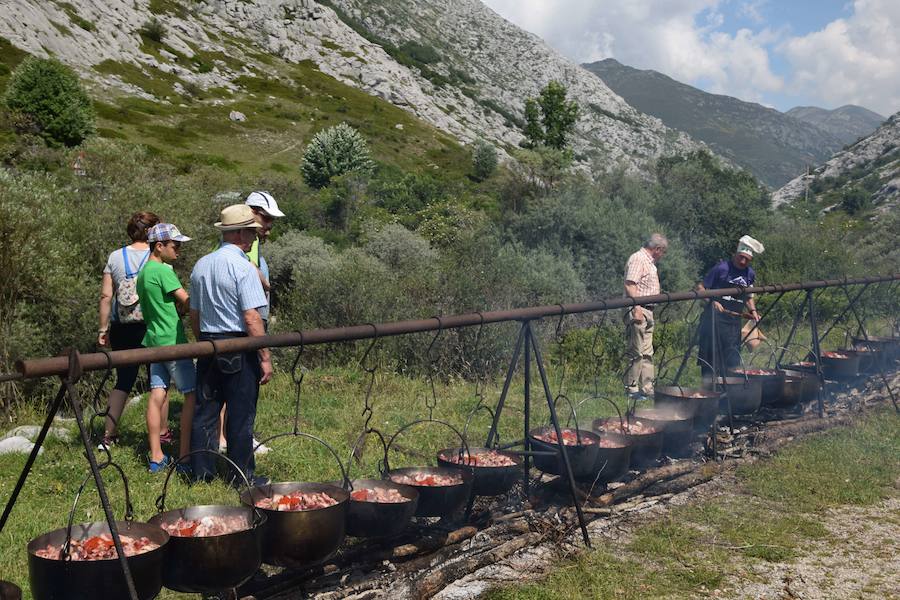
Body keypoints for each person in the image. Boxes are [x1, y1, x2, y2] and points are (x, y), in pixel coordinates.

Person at [189, 204, 272, 485]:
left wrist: (202, 341)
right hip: (238, 343)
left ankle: (201, 473)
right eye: (251, 232)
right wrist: (265, 357)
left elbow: (195, 314)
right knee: (241, 412)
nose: (254, 238)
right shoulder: (243, 268)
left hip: (208, 344)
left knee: (206, 412)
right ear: (239, 234)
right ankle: (242, 477)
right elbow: (251, 317)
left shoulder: (201, 265)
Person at [217, 192, 285, 454]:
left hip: (244, 323)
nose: (268, 227)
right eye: (267, 219)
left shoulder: (247, 243)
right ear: (253, 213)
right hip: (247, 324)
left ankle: (229, 437)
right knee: (241, 388)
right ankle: (234, 440)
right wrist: (266, 285)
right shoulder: (248, 244)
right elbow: (248, 273)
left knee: (234, 386)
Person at [97, 211, 170, 447]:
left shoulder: (115, 257)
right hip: (152, 326)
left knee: (123, 381)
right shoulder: (158, 255)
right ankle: (162, 433)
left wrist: (103, 328)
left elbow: (106, 295)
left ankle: (108, 436)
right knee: (159, 381)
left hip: (123, 328)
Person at [136, 223, 196, 473]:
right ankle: (185, 457)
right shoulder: (163, 271)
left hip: (153, 341)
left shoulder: (143, 273)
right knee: (192, 395)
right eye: (175, 246)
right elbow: (187, 301)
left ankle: (156, 456)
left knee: (157, 394)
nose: (179, 251)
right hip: (172, 342)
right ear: (159, 246)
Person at [697, 235, 764, 377]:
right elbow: (700, 288)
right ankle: (709, 390)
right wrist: (712, 301)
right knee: (711, 360)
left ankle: (728, 391)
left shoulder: (749, 274)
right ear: (736, 254)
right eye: (741, 257)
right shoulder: (721, 268)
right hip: (714, 322)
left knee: (731, 361)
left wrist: (753, 311)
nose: (743, 261)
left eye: (747, 259)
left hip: (733, 324)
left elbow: (748, 296)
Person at [623, 233, 668, 400]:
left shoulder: (650, 262)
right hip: (639, 309)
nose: (663, 255)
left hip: (648, 310)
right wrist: (636, 308)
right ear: (657, 249)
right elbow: (630, 284)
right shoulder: (638, 258)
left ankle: (648, 387)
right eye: (663, 252)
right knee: (636, 350)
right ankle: (631, 387)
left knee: (647, 351)